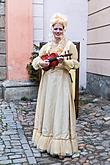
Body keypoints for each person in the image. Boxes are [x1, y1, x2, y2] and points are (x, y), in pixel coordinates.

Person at [32, 13, 80, 159]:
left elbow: (76, 64)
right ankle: (46, 143)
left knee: (61, 110)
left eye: (61, 29)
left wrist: (64, 62)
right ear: (52, 29)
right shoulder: (46, 47)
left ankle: (61, 147)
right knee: (49, 109)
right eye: (56, 29)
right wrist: (41, 63)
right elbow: (35, 62)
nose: (58, 31)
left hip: (62, 82)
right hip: (48, 83)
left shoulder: (69, 46)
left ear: (64, 29)